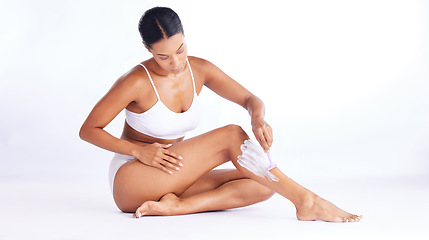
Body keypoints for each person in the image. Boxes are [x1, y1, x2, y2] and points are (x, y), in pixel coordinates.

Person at [79, 6, 362, 222]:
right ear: (147, 49)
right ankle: (307, 201)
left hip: (173, 173)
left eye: (180, 49)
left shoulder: (199, 69)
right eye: (162, 57)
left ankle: (178, 206)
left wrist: (257, 117)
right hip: (132, 178)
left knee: (262, 184)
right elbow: (88, 130)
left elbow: (250, 99)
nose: (175, 63)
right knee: (231, 136)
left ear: (185, 36)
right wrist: (139, 151)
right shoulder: (136, 81)